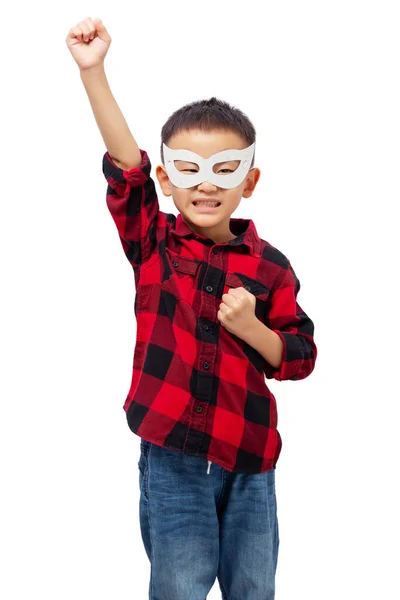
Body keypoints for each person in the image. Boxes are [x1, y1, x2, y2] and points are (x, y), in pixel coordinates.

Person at [66, 16, 318, 600]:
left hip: (251, 458)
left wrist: (254, 329)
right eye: (189, 170)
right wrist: (94, 71)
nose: (206, 186)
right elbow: (126, 171)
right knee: (178, 586)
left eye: (225, 171)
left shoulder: (271, 265)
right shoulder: (154, 246)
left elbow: (301, 355)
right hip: (174, 453)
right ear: (166, 176)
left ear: (249, 180)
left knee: (254, 587)